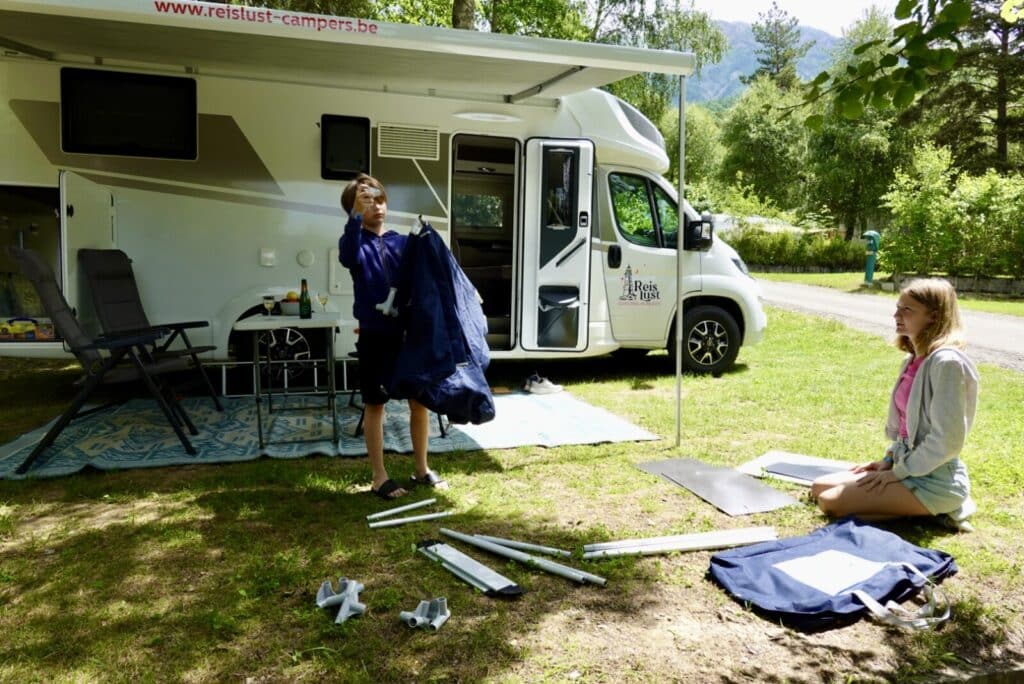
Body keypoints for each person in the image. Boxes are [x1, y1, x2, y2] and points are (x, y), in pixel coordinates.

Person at [810, 278, 979, 529]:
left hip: (935, 480)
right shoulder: (913, 359)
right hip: (906, 468)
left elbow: (948, 441)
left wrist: (896, 474)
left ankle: (941, 508)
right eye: (898, 307)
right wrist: (888, 461)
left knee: (829, 502)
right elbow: (906, 427)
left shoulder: (947, 363)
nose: (896, 314)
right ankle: (912, 509)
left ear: (933, 316)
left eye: (906, 310)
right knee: (818, 487)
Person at [338, 173, 448, 499]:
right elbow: (347, 255)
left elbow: (424, 276)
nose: (377, 207)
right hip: (375, 335)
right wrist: (354, 219)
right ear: (355, 210)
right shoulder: (356, 244)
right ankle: (379, 476)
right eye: (367, 202)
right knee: (376, 405)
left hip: (407, 335)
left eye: (380, 199)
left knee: (419, 402)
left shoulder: (402, 242)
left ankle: (421, 469)